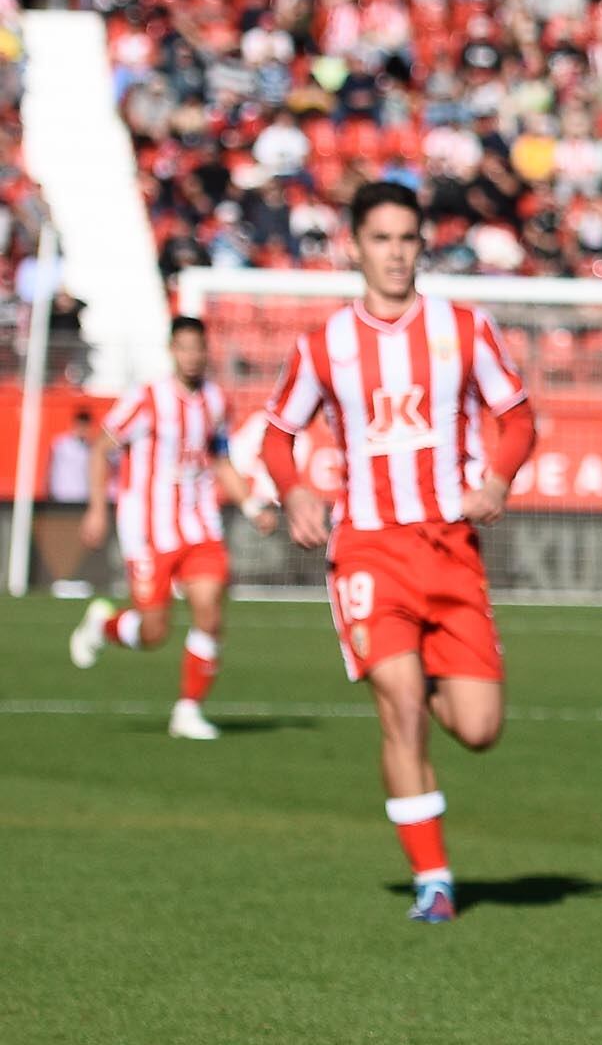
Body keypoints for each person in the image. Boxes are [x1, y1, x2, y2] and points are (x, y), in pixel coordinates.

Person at [255, 184, 539, 923]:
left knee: (478, 728)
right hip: (368, 550)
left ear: (422, 245)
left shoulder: (465, 329)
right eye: (380, 238)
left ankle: (422, 672)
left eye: (407, 238)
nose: (394, 252)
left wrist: (499, 478)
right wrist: (293, 493)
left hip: (450, 547)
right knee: (403, 708)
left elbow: (516, 417)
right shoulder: (324, 345)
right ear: (355, 244)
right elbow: (276, 436)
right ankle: (433, 880)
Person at [69, 316, 252, 739]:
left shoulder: (216, 401)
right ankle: (104, 626)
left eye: (198, 347)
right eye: (184, 347)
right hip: (149, 529)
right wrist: (97, 510)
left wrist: (251, 503)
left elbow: (220, 459)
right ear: (172, 351)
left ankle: (188, 710)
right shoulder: (146, 399)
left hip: (200, 525)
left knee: (209, 610)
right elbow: (102, 449)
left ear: (206, 351)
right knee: (153, 632)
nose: (191, 355)